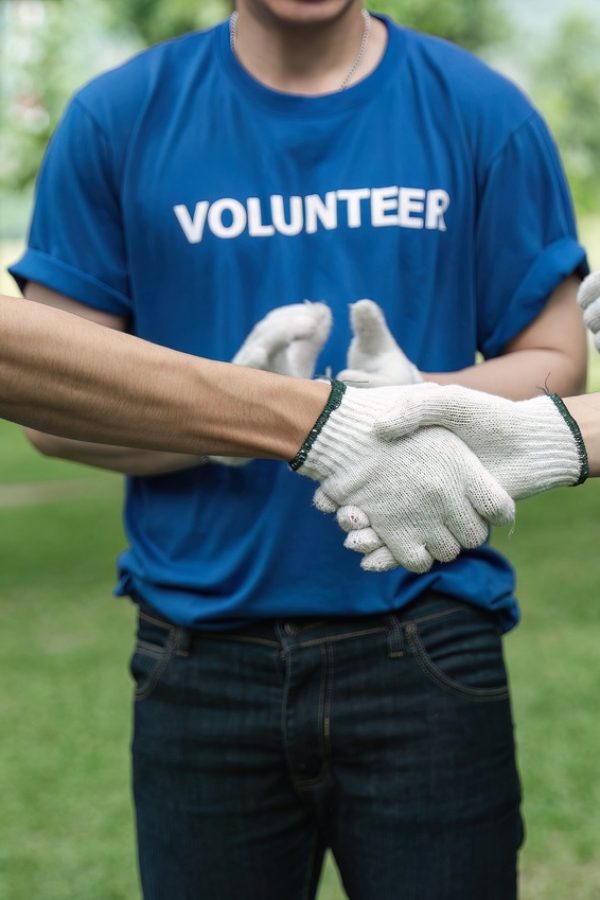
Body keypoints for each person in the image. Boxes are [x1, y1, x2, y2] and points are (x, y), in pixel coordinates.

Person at [8, 1, 588, 897]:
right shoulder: (117, 116)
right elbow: (52, 409)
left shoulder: (481, 108)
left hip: (428, 634)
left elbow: (556, 361)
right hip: (199, 653)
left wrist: (420, 399)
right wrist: (225, 424)